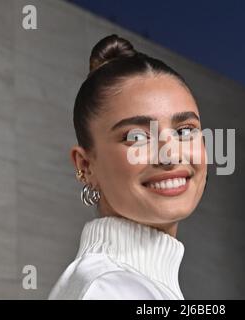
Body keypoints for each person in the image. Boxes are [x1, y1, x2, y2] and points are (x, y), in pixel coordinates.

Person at [48, 34, 208, 299]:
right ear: (86, 166)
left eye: (185, 131)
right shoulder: (111, 288)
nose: (170, 155)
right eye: (136, 137)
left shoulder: (114, 281)